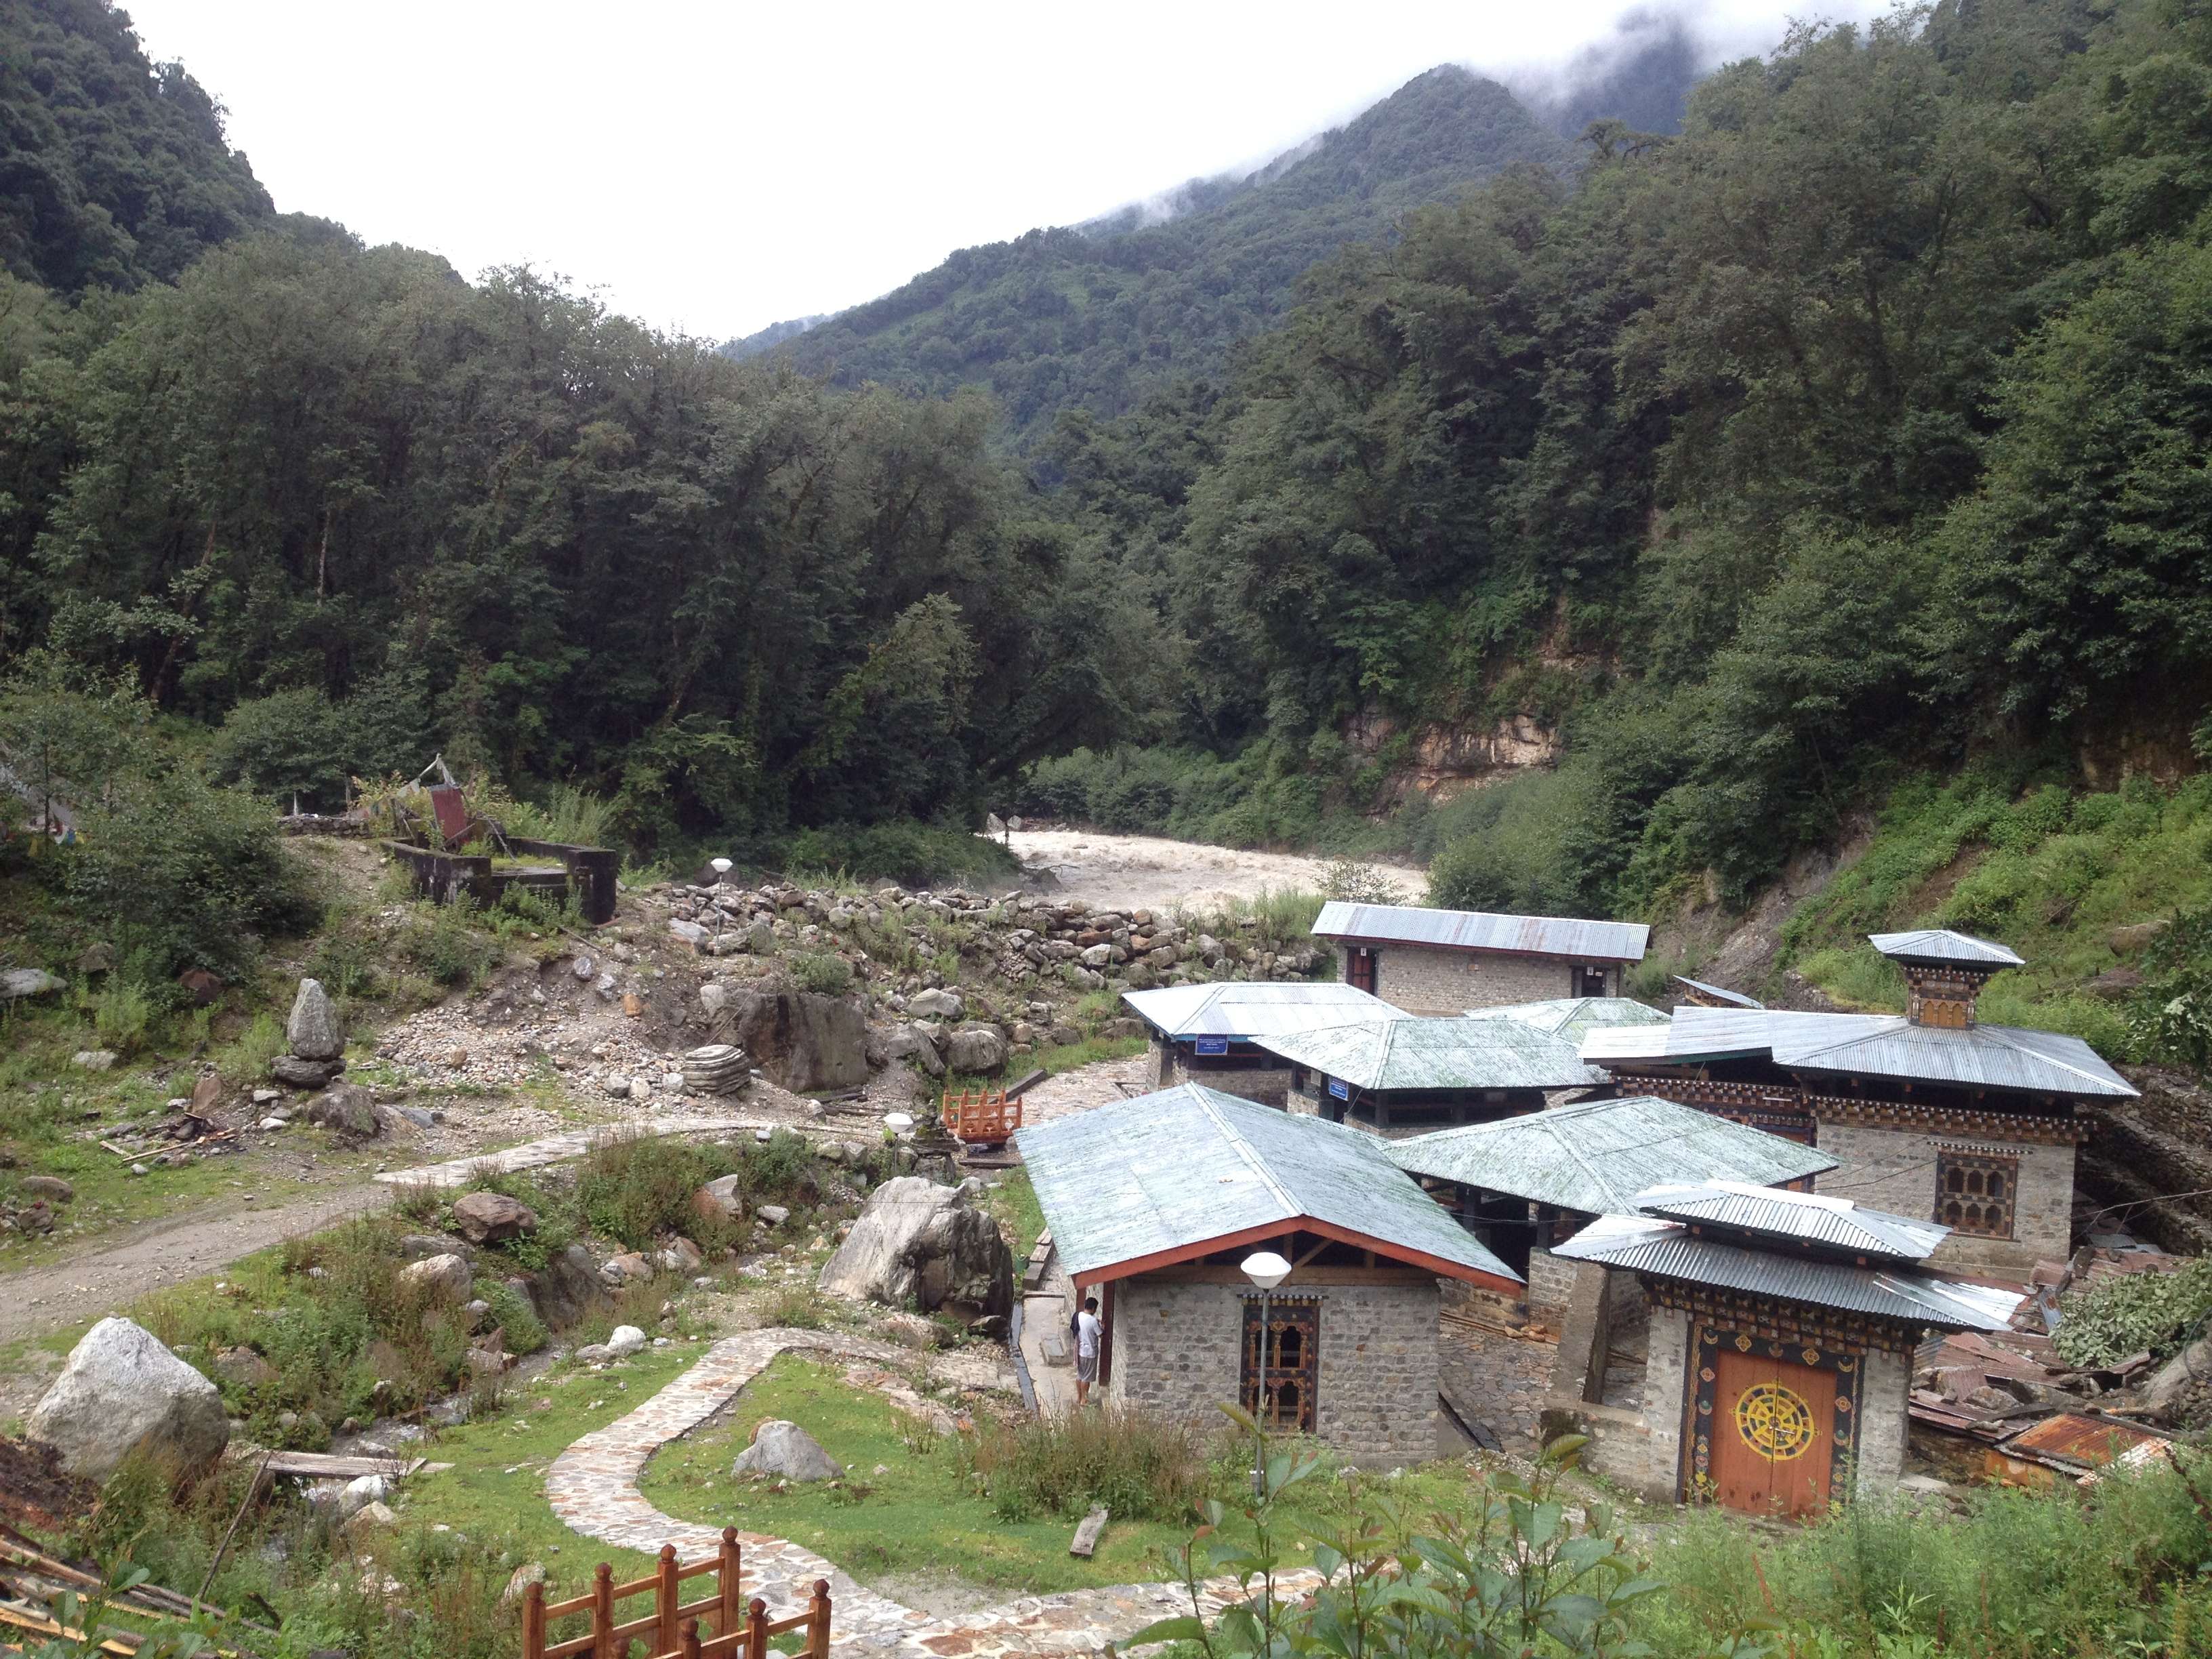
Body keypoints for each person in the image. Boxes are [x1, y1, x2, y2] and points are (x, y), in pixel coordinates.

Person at [1072, 1295, 1102, 1406]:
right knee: (1086, 1378)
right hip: (1090, 1353)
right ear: (1094, 1308)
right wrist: (1102, 1326)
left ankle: (1079, 1397)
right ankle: (1084, 1400)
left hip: (1080, 1351)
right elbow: (1100, 1334)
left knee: (1080, 1375)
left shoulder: (1079, 1315)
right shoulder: (1093, 1321)